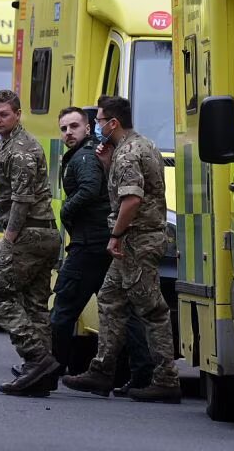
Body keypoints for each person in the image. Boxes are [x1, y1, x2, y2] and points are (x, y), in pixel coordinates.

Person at [61, 95, 180, 403]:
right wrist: (105, 162)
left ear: (113, 123)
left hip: (137, 241)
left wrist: (115, 234)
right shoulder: (142, 145)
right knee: (111, 298)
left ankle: (165, 378)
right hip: (138, 239)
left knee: (152, 310)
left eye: (99, 121)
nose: (97, 126)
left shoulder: (127, 154)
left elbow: (132, 199)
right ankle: (101, 371)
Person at [29, 106, 154, 394]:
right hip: (103, 242)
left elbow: (88, 189)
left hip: (89, 247)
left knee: (63, 309)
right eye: (63, 128)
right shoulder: (89, 153)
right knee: (122, 311)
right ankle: (143, 373)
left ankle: (49, 370)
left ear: (88, 128)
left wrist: (65, 213)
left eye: (74, 126)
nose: (68, 133)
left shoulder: (84, 157)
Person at [0, 89, 62, 397]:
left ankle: (37, 358)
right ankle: (39, 376)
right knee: (34, 306)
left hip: (28, 233)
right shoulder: (10, 143)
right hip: (42, 233)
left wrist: (10, 237)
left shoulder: (20, 149)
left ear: (18, 114)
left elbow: (21, 199)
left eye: (3, 114)